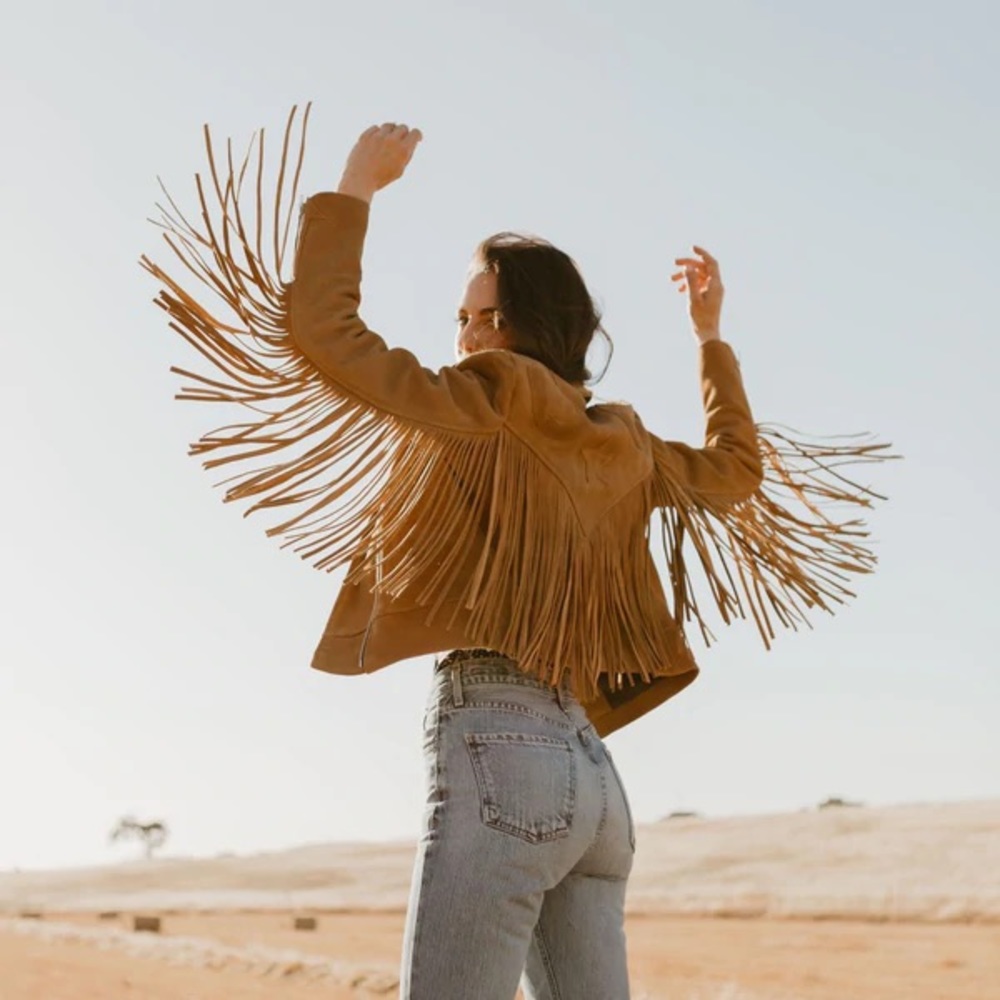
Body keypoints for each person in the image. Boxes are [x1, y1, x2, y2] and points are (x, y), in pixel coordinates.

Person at [142, 109, 888, 1000]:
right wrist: (709, 337)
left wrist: (354, 189)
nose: (465, 336)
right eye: (459, 318)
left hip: (498, 745)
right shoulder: (627, 442)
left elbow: (325, 336)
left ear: (529, 323)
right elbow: (736, 473)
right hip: (596, 785)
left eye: (484, 316)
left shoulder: (492, 397)